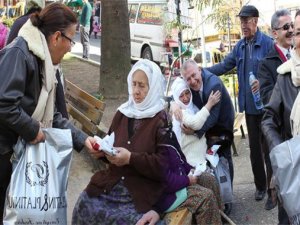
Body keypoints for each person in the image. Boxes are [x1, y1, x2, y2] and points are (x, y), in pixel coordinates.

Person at [72, 59, 222, 225]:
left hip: (147, 188)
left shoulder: (159, 118)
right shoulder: (122, 113)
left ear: (153, 88)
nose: (136, 91)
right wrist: (102, 153)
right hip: (119, 185)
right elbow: (112, 148)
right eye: (134, 84)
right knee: (84, 206)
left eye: (142, 86)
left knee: (208, 184)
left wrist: (131, 158)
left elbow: (163, 165)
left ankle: (218, 218)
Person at [0, 3, 98, 223]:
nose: (71, 47)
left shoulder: (43, 60)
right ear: (56, 37)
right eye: (71, 39)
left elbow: (52, 114)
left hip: (13, 152)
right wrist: (33, 129)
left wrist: (83, 140)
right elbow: (4, 104)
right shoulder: (20, 53)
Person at [206, 5, 274, 202]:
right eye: (241, 21)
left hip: (268, 107)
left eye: (246, 20)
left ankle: (272, 190)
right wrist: (202, 71)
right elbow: (225, 65)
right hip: (251, 110)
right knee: (254, 150)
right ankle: (261, 187)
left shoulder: (268, 44)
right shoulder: (240, 47)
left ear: (255, 21)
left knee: (268, 150)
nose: (243, 25)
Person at [173, 59, 234, 215]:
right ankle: (217, 196)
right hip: (206, 126)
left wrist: (195, 132)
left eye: (194, 76)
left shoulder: (213, 85)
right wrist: (174, 104)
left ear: (199, 70)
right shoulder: (188, 85)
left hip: (221, 126)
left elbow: (212, 118)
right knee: (212, 160)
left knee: (223, 157)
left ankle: (228, 198)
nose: (193, 81)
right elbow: (176, 93)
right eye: (189, 79)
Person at [261, 10, 300, 225]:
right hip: (294, 169)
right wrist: (284, 154)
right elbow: (268, 118)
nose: (293, 33)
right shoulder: (284, 76)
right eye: (299, 31)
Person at [257, 9, 293, 211]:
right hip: (282, 135)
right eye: (285, 27)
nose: (290, 31)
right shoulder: (266, 64)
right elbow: (266, 98)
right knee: (286, 200)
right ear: (274, 33)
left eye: (292, 27)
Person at [171, 77, 221, 175]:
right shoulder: (179, 112)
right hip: (191, 167)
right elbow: (196, 123)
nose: (185, 98)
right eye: (181, 96)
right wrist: (209, 104)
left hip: (202, 162)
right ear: (177, 98)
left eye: (187, 93)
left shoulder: (194, 107)